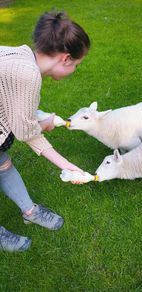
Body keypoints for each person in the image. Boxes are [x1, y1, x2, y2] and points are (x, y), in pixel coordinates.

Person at [0, 10, 90, 252]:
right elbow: (25, 131)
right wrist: (45, 124)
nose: (75, 71)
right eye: (77, 65)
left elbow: (15, 103)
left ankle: (29, 211)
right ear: (65, 58)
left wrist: (38, 117)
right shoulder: (29, 74)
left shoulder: (20, 54)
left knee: (3, 166)